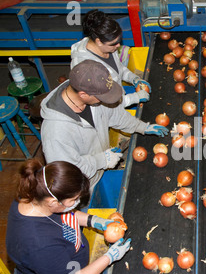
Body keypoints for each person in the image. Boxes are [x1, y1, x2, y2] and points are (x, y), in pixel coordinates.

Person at [40, 59, 168, 195]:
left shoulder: (92, 96)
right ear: (83, 94)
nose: (106, 100)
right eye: (103, 96)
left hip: (101, 170)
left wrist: (143, 127)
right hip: (82, 188)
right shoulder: (55, 133)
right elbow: (68, 173)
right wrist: (101, 160)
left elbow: (116, 116)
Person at [6, 159, 131, 274]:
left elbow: (65, 215)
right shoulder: (39, 244)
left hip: (64, 263)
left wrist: (94, 221)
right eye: (73, 200)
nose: (76, 203)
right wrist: (109, 257)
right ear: (54, 202)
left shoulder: (36, 195)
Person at [71, 9, 150, 108]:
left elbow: (118, 68)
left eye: (119, 41)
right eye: (114, 43)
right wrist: (134, 98)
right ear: (99, 41)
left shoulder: (108, 48)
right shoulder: (85, 68)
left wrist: (133, 78)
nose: (118, 45)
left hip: (119, 97)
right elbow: (103, 105)